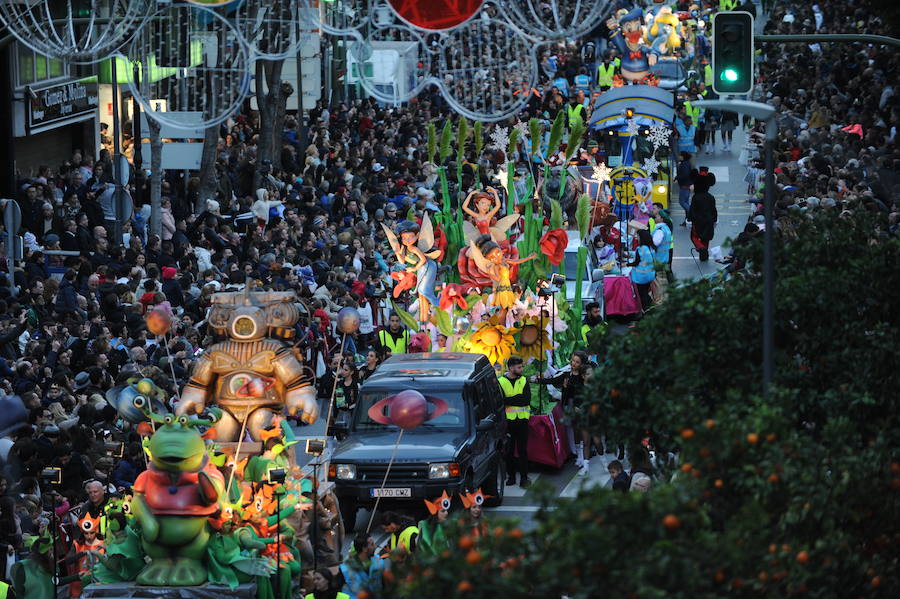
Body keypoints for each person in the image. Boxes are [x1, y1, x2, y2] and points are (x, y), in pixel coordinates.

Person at [535, 351, 594, 473]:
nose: (573, 364)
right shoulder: (567, 374)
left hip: (583, 409)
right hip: (570, 408)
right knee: (576, 431)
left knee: (585, 434)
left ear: (582, 364)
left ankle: (586, 462)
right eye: (572, 361)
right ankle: (579, 456)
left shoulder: (584, 376)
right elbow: (553, 381)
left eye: (577, 362)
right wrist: (537, 380)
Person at [499, 356, 530, 488]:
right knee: (509, 451)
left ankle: (524, 478)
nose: (521, 369)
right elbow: (501, 401)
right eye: (519, 367)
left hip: (522, 420)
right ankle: (511, 477)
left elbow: (526, 400)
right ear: (511, 368)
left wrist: (509, 400)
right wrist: (516, 398)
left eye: (521, 366)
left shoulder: (523, 380)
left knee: (523, 451)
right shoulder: (501, 381)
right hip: (508, 422)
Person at [340, 533, 386, 599]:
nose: (375, 546)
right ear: (364, 549)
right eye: (372, 544)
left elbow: (383, 584)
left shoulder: (379, 561)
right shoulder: (344, 568)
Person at [687, 168, 717, 261]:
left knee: (694, 236)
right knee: (706, 238)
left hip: (698, 220)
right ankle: (704, 255)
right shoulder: (710, 197)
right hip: (708, 220)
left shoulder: (696, 197)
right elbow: (713, 209)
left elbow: (692, 209)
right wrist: (714, 219)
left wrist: (690, 218)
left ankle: (701, 249)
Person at [629, 228, 656, 311]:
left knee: (642, 294)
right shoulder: (651, 248)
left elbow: (636, 262)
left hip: (641, 277)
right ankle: (651, 306)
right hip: (650, 275)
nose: (637, 238)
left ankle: (646, 310)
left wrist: (626, 264)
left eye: (638, 236)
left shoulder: (640, 249)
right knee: (645, 292)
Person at [418, 491, 450, 555]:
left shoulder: (448, 526)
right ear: (435, 513)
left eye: (447, 510)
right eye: (443, 511)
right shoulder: (424, 525)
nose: (446, 513)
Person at [675, 152, 693, 225]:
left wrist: (677, 177)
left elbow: (685, 175)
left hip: (684, 186)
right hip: (686, 186)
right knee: (686, 203)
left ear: (683, 157)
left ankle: (691, 214)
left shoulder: (684, 164)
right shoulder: (686, 163)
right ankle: (687, 220)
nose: (679, 156)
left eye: (680, 155)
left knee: (682, 202)